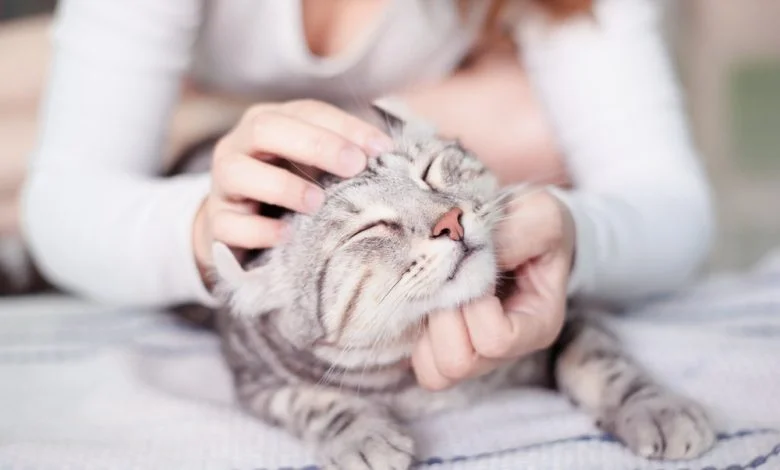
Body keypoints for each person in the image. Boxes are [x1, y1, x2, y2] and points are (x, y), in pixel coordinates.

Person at [14, 0, 713, 391]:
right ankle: (201, 128)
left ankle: (205, 121)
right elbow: (64, 208)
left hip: (334, 178)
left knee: (525, 123)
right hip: (142, 107)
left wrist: (569, 229)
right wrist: (204, 225)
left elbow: (674, 208)